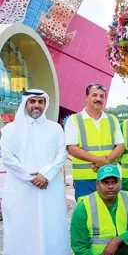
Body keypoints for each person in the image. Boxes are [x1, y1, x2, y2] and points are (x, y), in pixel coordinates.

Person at [0, 89, 70, 255]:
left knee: (52, 227)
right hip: (21, 190)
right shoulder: (10, 130)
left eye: (41, 102)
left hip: (50, 187)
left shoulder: (56, 129)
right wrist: (29, 178)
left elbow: (62, 154)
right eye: (33, 101)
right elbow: (7, 157)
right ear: (25, 104)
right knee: (22, 230)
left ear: (45, 104)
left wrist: (45, 174)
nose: (37, 105)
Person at [70, 164, 128, 255]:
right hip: (96, 253)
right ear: (97, 185)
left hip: (122, 247)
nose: (110, 186)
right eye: (105, 182)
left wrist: (117, 241)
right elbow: (79, 247)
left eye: (114, 182)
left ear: (120, 183)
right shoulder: (84, 206)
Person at [65, 83, 124, 200]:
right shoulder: (74, 120)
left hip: (109, 177)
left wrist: (104, 162)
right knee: (88, 213)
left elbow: (120, 146)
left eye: (102, 96)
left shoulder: (112, 119)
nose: (98, 99)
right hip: (84, 179)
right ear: (86, 98)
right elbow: (71, 148)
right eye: (94, 95)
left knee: (109, 214)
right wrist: (98, 161)